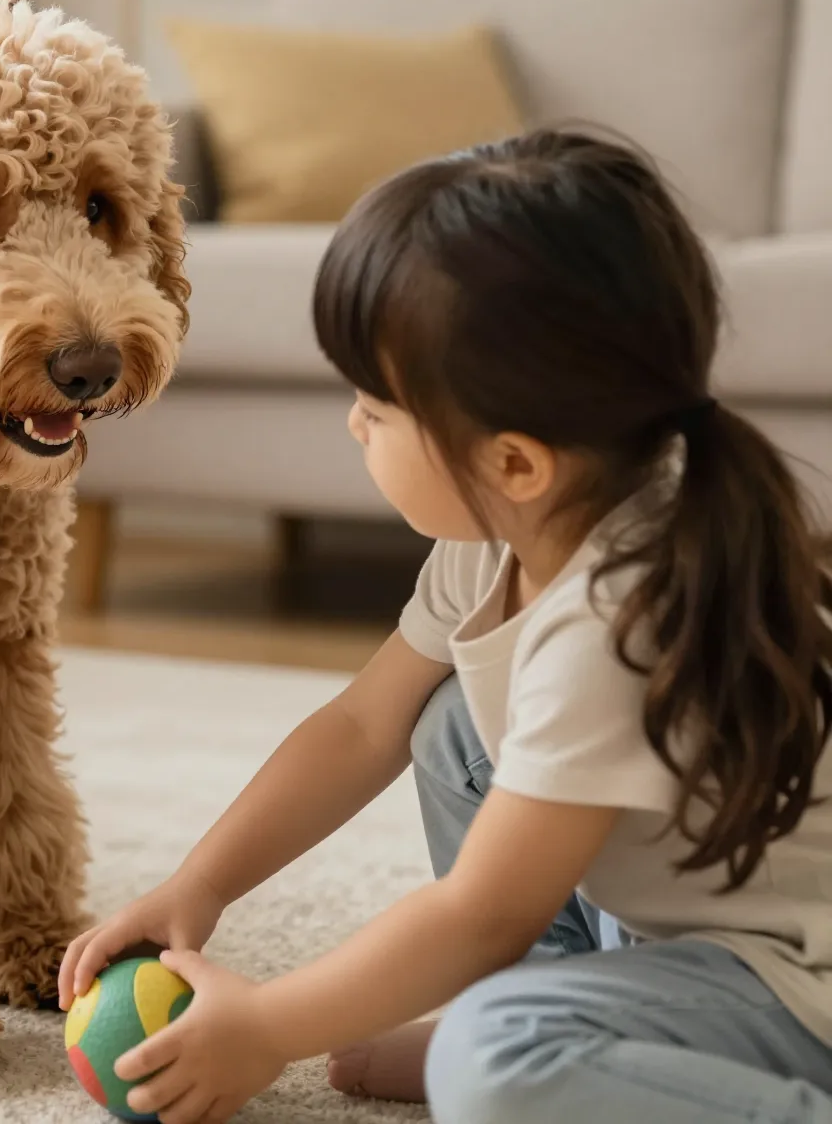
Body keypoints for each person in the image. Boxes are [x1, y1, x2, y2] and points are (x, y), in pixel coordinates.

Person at [59, 130, 832, 1124]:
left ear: (515, 462)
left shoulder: (618, 619)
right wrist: (199, 885)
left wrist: (267, 1027)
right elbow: (360, 727)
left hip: (795, 988)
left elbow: (481, 915)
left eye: (377, 408)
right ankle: (559, 1014)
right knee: (454, 726)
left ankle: (574, 1045)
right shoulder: (519, 525)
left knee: (489, 1064)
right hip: (672, 928)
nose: (353, 424)